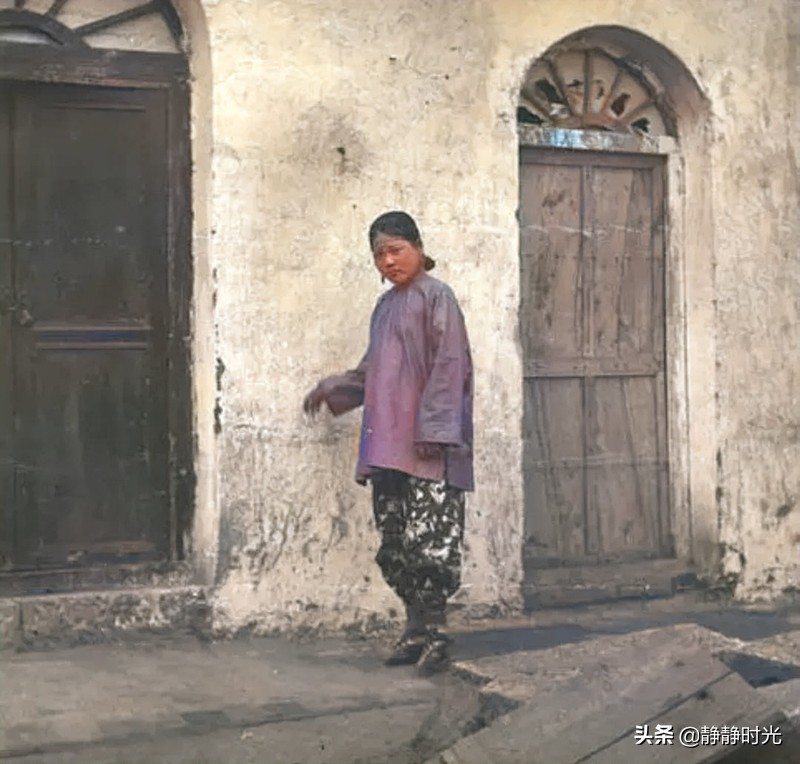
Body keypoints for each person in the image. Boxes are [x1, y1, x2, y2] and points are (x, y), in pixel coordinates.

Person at [303, 210, 474, 674]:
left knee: (432, 545)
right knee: (396, 545)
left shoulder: (439, 298)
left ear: (418, 247)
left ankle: (437, 636)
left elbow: (449, 368)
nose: (388, 262)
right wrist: (332, 389)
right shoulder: (384, 309)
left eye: (396, 250)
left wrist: (435, 434)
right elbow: (371, 375)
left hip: (429, 449)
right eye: (379, 255)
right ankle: (415, 632)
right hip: (388, 449)